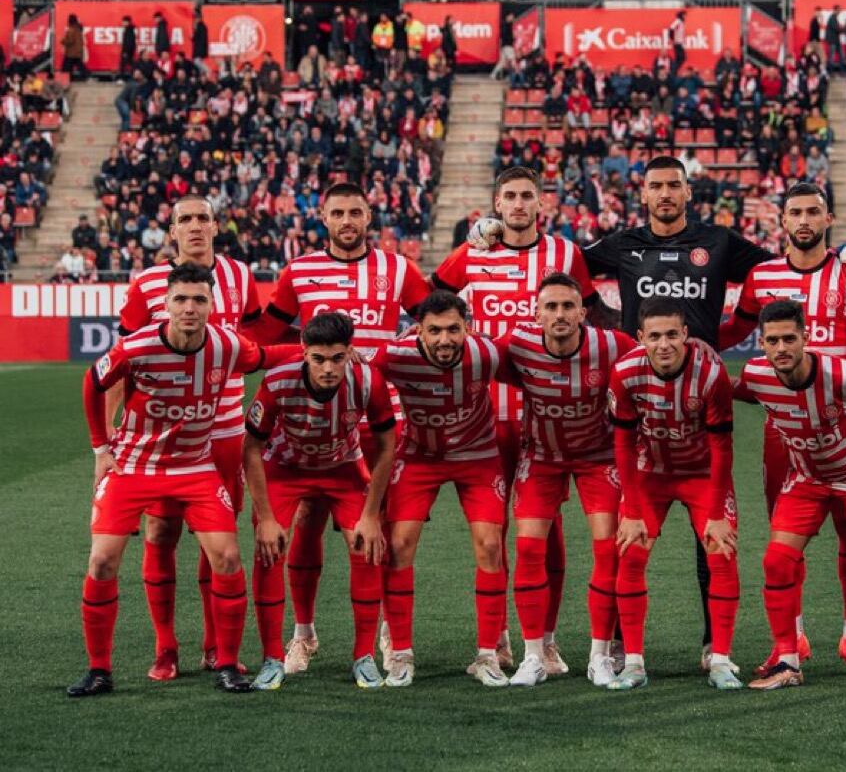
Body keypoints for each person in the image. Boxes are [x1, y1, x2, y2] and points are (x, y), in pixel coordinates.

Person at [470, 155, 846, 668]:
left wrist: (841, 255)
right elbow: (564, 267)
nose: (665, 193)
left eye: (673, 186)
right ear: (643, 195)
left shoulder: (719, 243)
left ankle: (712, 645)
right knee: (628, 530)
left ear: (688, 193)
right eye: (656, 185)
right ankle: (615, 645)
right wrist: (496, 235)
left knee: (710, 532)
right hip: (640, 404)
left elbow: (790, 262)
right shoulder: (623, 245)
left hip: (700, 400)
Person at [68, 263, 297, 697]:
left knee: (227, 558)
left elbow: (268, 356)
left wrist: (319, 347)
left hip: (195, 468)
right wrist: (101, 447)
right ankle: (99, 669)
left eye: (199, 300)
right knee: (101, 561)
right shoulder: (136, 348)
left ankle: (226, 663)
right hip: (134, 468)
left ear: (212, 305)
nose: (189, 308)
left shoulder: (227, 345)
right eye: (181, 299)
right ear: (166, 304)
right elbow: (92, 381)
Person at [244, 182, 430, 674]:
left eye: (356, 212)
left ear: (371, 217)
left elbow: (433, 319)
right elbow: (264, 335)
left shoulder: (398, 269)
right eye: (338, 213)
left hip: (377, 416)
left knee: (379, 531)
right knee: (305, 525)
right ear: (322, 218)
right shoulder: (299, 271)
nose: (347, 221)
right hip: (313, 423)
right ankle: (303, 634)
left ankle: (387, 633)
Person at [437, 166, 613, 673]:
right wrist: (462, 249)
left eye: (526, 196)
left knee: (546, 529)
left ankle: (547, 641)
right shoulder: (476, 252)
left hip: (541, 415)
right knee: (492, 532)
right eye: (509, 196)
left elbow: (594, 316)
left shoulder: (565, 255)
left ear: (542, 203)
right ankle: (495, 644)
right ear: (496, 203)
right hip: (484, 416)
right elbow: (430, 303)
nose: (518, 204)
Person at [719, 181, 846, 677]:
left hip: (845, 425)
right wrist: (692, 344)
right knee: (785, 535)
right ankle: (792, 638)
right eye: (796, 213)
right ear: (783, 222)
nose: (805, 220)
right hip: (785, 430)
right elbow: (734, 331)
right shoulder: (762, 275)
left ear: (828, 219)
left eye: (814, 212)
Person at [105, 194, 261, 680]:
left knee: (218, 541)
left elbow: (254, 347)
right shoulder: (147, 283)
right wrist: (112, 439)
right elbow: (120, 365)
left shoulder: (240, 277)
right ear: (171, 232)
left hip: (225, 429)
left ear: (216, 226)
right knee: (160, 532)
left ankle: (216, 646)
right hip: (164, 439)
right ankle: (165, 645)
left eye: (202, 219)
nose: (194, 227)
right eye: (184, 220)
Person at [736, 300, 846, 695]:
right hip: (807, 479)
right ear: (761, 342)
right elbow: (724, 393)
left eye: (790, 338)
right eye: (772, 341)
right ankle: (789, 659)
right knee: (776, 561)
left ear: (806, 338)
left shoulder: (843, 373)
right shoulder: (756, 375)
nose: (781, 348)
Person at [496, 273, 637, 687]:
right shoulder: (517, 346)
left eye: (567, 306)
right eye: (551, 307)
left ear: (583, 311)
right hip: (541, 456)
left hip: (599, 457)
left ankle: (600, 655)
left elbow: (653, 363)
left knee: (608, 549)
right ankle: (533, 656)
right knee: (527, 548)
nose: (559, 314)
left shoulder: (612, 345)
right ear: (537, 313)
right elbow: (471, 355)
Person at [243, 312, 396, 692]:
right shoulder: (278, 381)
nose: (328, 368)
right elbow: (252, 449)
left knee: (366, 547)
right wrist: (264, 517)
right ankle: (273, 657)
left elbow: (387, 444)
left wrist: (373, 514)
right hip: (285, 469)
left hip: (342, 469)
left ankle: (364, 656)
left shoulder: (367, 380)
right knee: (269, 550)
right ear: (304, 353)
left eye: (337, 358)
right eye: (319, 359)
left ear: (350, 352)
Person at [371, 291, 508, 688]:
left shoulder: (488, 354)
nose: (445, 339)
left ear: (467, 328)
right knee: (398, 546)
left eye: (453, 329)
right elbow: (362, 384)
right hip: (419, 457)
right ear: (418, 330)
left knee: (490, 546)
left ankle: (487, 654)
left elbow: (531, 373)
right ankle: (400, 652)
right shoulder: (395, 355)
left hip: (478, 456)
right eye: (434, 331)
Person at [609, 297, 742, 692]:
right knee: (630, 551)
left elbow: (723, 448)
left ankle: (720, 659)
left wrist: (717, 512)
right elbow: (622, 445)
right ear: (640, 338)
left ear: (685, 334)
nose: (664, 344)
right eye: (654, 336)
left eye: (672, 334)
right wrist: (631, 509)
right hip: (651, 474)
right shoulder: (625, 373)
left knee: (722, 552)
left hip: (703, 473)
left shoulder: (711, 373)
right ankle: (633, 663)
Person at [61, 14, 85, 79]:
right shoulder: (78, 29)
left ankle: (65, 78)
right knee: (78, 66)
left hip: (71, 52)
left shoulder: (71, 29)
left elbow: (70, 40)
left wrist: (63, 41)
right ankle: (87, 76)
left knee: (66, 67)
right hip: (77, 51)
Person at [119, 15, 136, 81]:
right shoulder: (129, 30)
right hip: (129, 51)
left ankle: (121, 78)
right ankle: (133, 77)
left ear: (128, 22)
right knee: (130, 64)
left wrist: (126, 52)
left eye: (124, 22)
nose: (123, 23)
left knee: (123, 65)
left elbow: (129, 42)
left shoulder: (129, 30)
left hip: (127, 51)